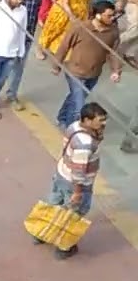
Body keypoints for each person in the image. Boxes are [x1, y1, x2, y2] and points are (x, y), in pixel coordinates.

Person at [41, 102, 107, 259]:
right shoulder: (85, 144)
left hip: (61, 174)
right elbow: (79, 171)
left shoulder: (74, 126)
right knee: (75, 214)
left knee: (53, 205)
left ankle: (41, 233)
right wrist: (78, 192)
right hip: (76, 184)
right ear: (87, 120)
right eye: (100, 120)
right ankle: (64, 247)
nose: (103, 123)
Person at [51, 0, 122, 130]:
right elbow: (64, 46)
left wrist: (116, 71)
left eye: (113, 15)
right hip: (75, 72)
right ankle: (71, 129)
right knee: (79, 105)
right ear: (98, 15)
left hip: (94, 74)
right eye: (109, 16)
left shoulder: (113, 32)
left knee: (75, 97)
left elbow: (114, 53)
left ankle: (61, 117)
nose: (112, 18)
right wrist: (56, 65)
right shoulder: (80, 28)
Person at [2, 0, 45, 111]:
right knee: (2, 65)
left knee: (18, 67)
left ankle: (11, 94)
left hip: (26, 37)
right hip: (10, 36)